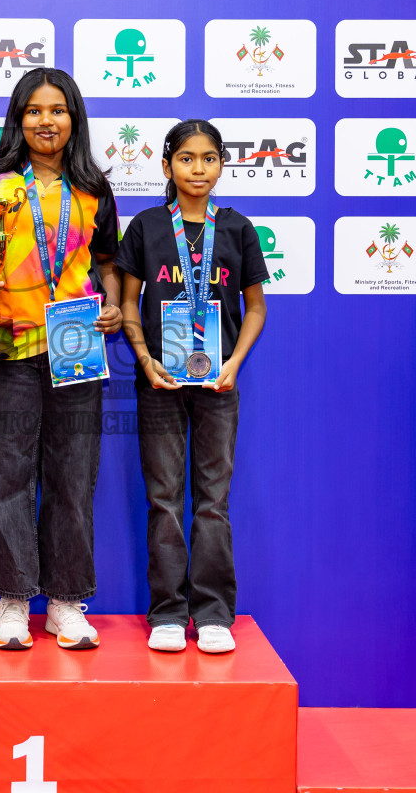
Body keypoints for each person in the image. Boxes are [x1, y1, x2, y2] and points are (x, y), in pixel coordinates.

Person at [0, 68, 121, 650]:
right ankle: (13, 601)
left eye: (57, 110)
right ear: (17, 119)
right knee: (7, 475)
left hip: (76, 346)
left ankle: (67, 602)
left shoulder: (95, 188)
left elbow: (108, 263)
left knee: (73, 477)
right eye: (33, 111)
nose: (45, 121)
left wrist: (118, 308)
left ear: (73, 118)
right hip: (7, 345)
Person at [115, 119, 268, 654]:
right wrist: (143, 356)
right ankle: (167, 613)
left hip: (218, 384)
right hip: (157, 382)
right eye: (186, 158)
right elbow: (129, 303)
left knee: (212, 502)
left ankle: (212, 613)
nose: (197, 168)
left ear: (222, 164)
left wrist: (235, 363)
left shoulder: (238, 229)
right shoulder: (149, 227)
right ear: (166, 165)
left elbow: (256, 309)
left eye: (208, 158)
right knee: (163, 499)